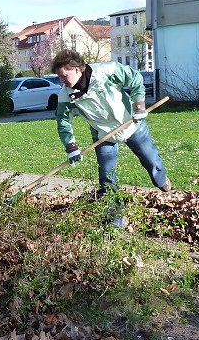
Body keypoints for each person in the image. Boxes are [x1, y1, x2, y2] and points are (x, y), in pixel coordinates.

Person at [51, 49, 172, 228]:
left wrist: (139, 106)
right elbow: (63, 121)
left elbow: (135, 78)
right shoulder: (65, 94)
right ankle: (115, 222)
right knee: (107, 178)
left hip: (131, 123)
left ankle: (162, 182)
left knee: (151, 160)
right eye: (59, 77)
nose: (62, 81)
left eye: (64, 76)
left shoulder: (106, 71)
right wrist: (71, 147)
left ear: (77, 69)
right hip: (103, 134)